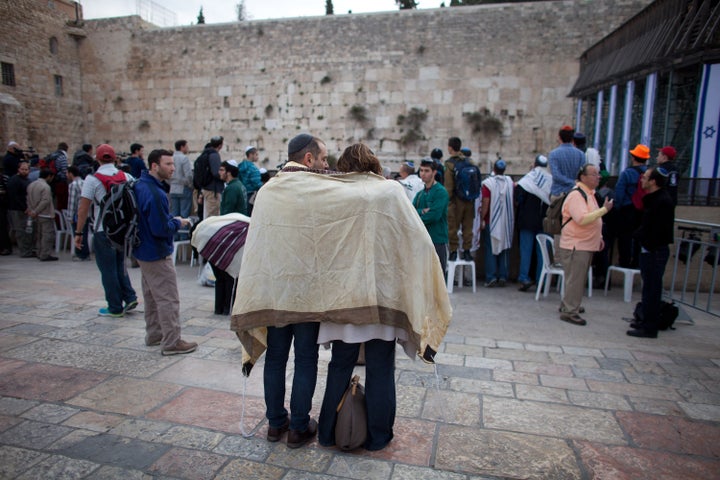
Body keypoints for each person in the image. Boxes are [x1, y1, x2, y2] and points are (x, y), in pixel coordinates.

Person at [230, 136, 450, 451]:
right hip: (368, 298)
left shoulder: (296, 192)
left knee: (320, 363)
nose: (324, 165)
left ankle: (310, 430)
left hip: (318, 296)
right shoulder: (385, 191)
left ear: (343, 169)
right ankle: (371, 437)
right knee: (376, 368)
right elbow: (416, 240)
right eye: (321, 159)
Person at [133, 149, 198, 355]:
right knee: (168, 298)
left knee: (152, 295)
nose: (173, 168)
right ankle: (171, 342)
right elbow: (160, 229)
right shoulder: (155, 193)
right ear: (154, 166)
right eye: (168, 164)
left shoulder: (139, 185)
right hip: (156, 251)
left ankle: (155, 334)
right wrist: (177, 222)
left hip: (142, 250)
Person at [74, 144, 138, 318]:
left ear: (97, 158)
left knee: (107, 269)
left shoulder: (92, 180)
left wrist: (79, 233)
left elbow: (83, 209)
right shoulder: (126, 176)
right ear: (115, 158)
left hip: (103, 230)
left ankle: (115, 307)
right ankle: (129, 296)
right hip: (123, 231)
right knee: (119, 265)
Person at [558, 164, 613, 325]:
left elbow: (593, 219)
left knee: (577, 278)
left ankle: (569, 304)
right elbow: (582, 219)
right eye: (594, 174)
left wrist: (599, 237)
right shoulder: (577, 195)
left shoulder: (589, 194)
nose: (598, 177)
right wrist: (604, 210)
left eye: (598, 174)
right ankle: (570, 310)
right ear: (583, 177)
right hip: (576, 244)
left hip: (585, 244)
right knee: (575, 278)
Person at [627, 167, 675, 338]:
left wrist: (641, 237)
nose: (642, 180)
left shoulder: (662, 201)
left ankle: (649, 327)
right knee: (648, 288)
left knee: (652, 289)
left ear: (653, 181)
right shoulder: (654, 199)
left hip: (654, 250)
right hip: (649, 249)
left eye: (645, 177)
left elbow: (657, 230)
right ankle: (645, 320)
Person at [211, 159, 247, 316]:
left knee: (225, 274)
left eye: (222, 169)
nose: (219, 172)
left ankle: (224, 307)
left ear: (229, 171)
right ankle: (223, 307)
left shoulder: (233, 188)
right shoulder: (237, 186)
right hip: (236, 232)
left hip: (230, 233)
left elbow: (227, 213)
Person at [515, 155, 552, 291]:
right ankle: (540, 280)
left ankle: (524, 278)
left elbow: (518, 196)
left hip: (527, 221)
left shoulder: (529, 179)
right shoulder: (549, 180)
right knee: (542, 252)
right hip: (544, 221)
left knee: (526, 251)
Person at [614, 144, 649, 268]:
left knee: (625, 238)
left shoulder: (627, 173)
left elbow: (619, 193)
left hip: (627, 210)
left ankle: (624, 262)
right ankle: (637, 263)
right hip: (644, 211)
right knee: (639, 238)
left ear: (633, 158)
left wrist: (617, 208)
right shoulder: (649, 174)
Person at [480, 159, 514, 287]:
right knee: (504, 248)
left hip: (491, 221)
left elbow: (486, 202)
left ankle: (491, 276)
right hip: (506, 221)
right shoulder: (510, 183)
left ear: (493, 169)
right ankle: (503, 276)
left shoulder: (488, 183)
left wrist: (482, 218)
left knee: (490, 249)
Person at [413, 158, 449, 274]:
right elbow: (411, 212)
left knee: (438, 275)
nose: (423, 174)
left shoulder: (441, 192)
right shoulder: (420, 194)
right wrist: (422, 211)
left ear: (434, 172)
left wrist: (418, 217)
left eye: (427, 171)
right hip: (421, 240)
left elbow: (434, 216)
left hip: (437, 239)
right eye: (421, 170)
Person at [444, 137, 474, 261]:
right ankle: (467, 251)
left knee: (453, 228)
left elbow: (449, 186)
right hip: (469, 200)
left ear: (450, 147)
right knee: (468, 228)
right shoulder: (470, 162)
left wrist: (448, 201)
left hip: (456, 201)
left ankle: (453, 251)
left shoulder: (450, 163)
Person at [26, 168, 58, 262]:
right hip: (45, 214)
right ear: (49, 176)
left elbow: (28, 198)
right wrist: (36, 211)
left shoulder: (31, 184)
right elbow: (45, 201)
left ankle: (39, 252)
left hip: (35, 214)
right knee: (47, 235)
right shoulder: (45, 187)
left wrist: (32, 210)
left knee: (39, 235)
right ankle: (45, 254)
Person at [549, 126, 586, 199]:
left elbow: (556, 175)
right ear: (572, 139)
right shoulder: (581, 154)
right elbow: (582, 173)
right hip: (575, 193)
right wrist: (574, 183)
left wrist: (570, 182)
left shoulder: (553, 154)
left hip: (558, 194)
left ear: (559, 137)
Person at [7, 161, 34, 257]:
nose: (24, 171)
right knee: (20, 231)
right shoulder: (14, 180)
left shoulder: (27, 180)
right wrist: (24, 208)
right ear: (18, 169)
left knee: (27, 230)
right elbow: (14, 196)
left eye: (26, 169)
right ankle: (24, 251)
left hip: (26, 209)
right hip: (17, 210)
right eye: (22, 169)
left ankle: (29, 249)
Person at [67, 166, 90, 261]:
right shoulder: (85, 183)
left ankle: (80, 254)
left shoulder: (73, 185)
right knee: (84, 233)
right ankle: (86, 253)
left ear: (71, 173)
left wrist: (70, 216)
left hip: (77, 214)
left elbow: (72, 202)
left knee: (78, 233)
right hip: (86, 213)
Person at [200, 136, 225, 218]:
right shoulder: (214, 155)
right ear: (220, 145)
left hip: (207, 188)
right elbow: (215, 172)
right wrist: (223, 177)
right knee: (212, 215)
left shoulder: (206, 153)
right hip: (213, 190)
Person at [170, 140, 194, 219]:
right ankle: (183, 230)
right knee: (184, 214)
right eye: (186, 146)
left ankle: (174, 230)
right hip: (184, 187)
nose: (188, 148)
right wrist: (190, 185)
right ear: (182, 147)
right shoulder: (184, 158)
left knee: (174, 213)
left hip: (172, 187)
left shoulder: (171, 158)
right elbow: (188, 175)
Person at [240, 146, 263, 213]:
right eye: (256, 154)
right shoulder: (253, 168)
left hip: (241, 194)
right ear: (250, 155)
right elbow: (257, 184)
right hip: (250, 195)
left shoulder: (240, 166)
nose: (257, 157)